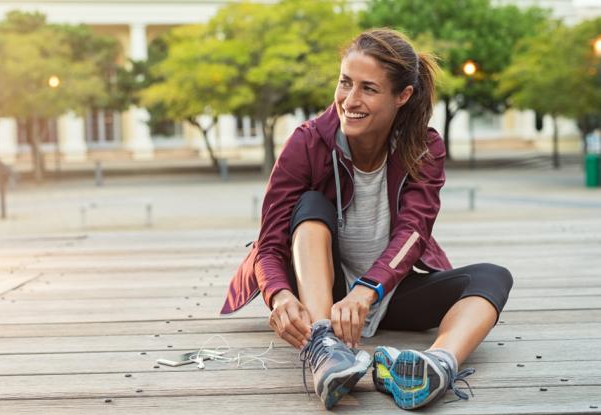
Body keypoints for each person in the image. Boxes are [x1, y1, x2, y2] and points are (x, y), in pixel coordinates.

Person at [220, 28, 513, 410]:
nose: (350, 100)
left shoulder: (424, 147)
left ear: (402, 96)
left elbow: (414, 232)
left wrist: (368, 289)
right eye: (345, 83)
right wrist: (280, 294)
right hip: (322, 295)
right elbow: (270, 243)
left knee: (493, 276)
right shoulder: (307, 142)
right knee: (310, 205)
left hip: (385, 290)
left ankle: (438, 364)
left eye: (368, 89)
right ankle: (324, 348)